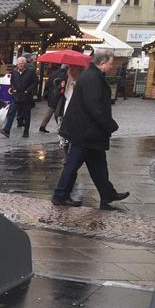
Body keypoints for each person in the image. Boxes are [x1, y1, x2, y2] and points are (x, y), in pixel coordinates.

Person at [51, 50, 130, 209]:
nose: (111, 66)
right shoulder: (92, 78)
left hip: (90, 132)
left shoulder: (92, 76)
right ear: (102, 63)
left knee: (98, 165)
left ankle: (107, 193)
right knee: (72, 165)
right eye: (110, 63)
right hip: (85, 132)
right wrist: (110, 125)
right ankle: (60, 195)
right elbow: (94, 107)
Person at [0, 57, 37, 138]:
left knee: (27, 115)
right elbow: (12, 81)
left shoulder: (30, 72)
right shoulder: (14, 71)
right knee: (11, 112)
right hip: (16, 96)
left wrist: (28, 90)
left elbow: (35, 82)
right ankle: (7, 130)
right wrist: (13, 88)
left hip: (26, 96)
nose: (20, 65)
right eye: (19, 63)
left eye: (21, 63)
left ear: (25, 64)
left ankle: (26, 131)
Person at [38, 64, 68, 133]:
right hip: (59, 95)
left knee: (51, 110)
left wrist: (46, 92)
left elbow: (47, 83)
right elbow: (63, 86)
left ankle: (43, 126)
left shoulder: (53, 73)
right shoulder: (65, 75)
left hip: (52, 94)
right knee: (58, 112)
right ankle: (61, 127)